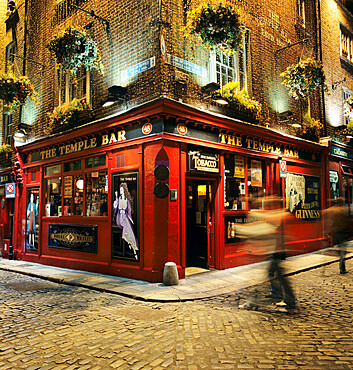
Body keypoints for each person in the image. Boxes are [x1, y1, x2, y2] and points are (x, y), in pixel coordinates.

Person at [324, 199, 352, 274]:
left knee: (339, 250)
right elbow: (346, 222)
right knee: (342, 251)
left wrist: (327, 232)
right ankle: (342, 268)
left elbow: (328, 223)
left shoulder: (329, 211)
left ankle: (341, 263)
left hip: (335, 234)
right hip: (342, 233)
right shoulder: (342, 210)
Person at [113, 183, 139, 259]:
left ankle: (133, 248)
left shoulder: (127, 200)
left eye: (122, 190)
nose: (121, 192)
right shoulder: (118, 200)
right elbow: (115, 210)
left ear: (124, 191)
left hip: (125, 217)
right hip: (119, 218)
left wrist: (131, 219)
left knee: (129, 230)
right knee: (127, 229)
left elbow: (129, 211)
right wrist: (115, 201)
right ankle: (131, 245)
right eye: (120, 190)